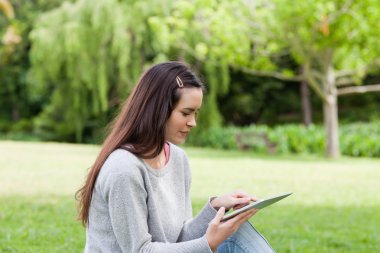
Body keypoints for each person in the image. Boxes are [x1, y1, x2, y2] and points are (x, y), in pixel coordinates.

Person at [76, 61, 275, 253]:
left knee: (236, 230)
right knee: (232, 238)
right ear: (157, 109)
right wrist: (208, 242)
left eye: (196, 113)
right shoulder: (124, 169)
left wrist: (215, 207)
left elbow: (179, 239)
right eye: (186, 113)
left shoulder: (178, 159)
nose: (193, 123)